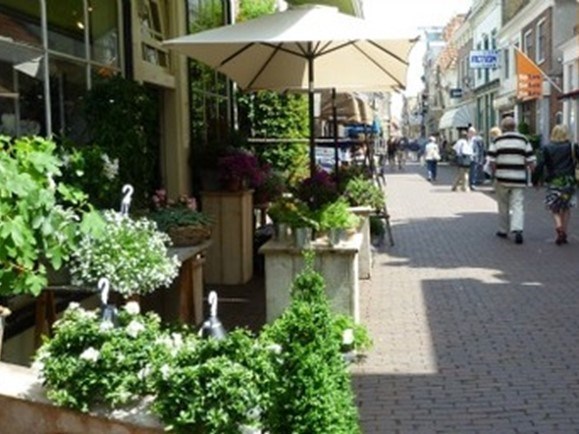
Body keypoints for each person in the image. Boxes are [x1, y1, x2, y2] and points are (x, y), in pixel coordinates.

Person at [487, 116, 536, 244]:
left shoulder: (497, 140)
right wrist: (533, 176)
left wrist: (495, 174)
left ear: (503, 127)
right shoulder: (523, 140)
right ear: (514, 127)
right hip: (519, 178)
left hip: (502, 178)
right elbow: (531, 160)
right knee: (518, 204)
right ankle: (518, 229)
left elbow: (491, 161)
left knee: (503, 204)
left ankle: (503, 230)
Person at [532, 124, 578, 245]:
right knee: (566, 207)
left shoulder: (547, 148)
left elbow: (540, 165)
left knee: (554, 206)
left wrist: (535, 180)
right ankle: (564, 231)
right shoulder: (572, 147)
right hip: (569, 181)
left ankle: (558, 225)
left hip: (554, 181)